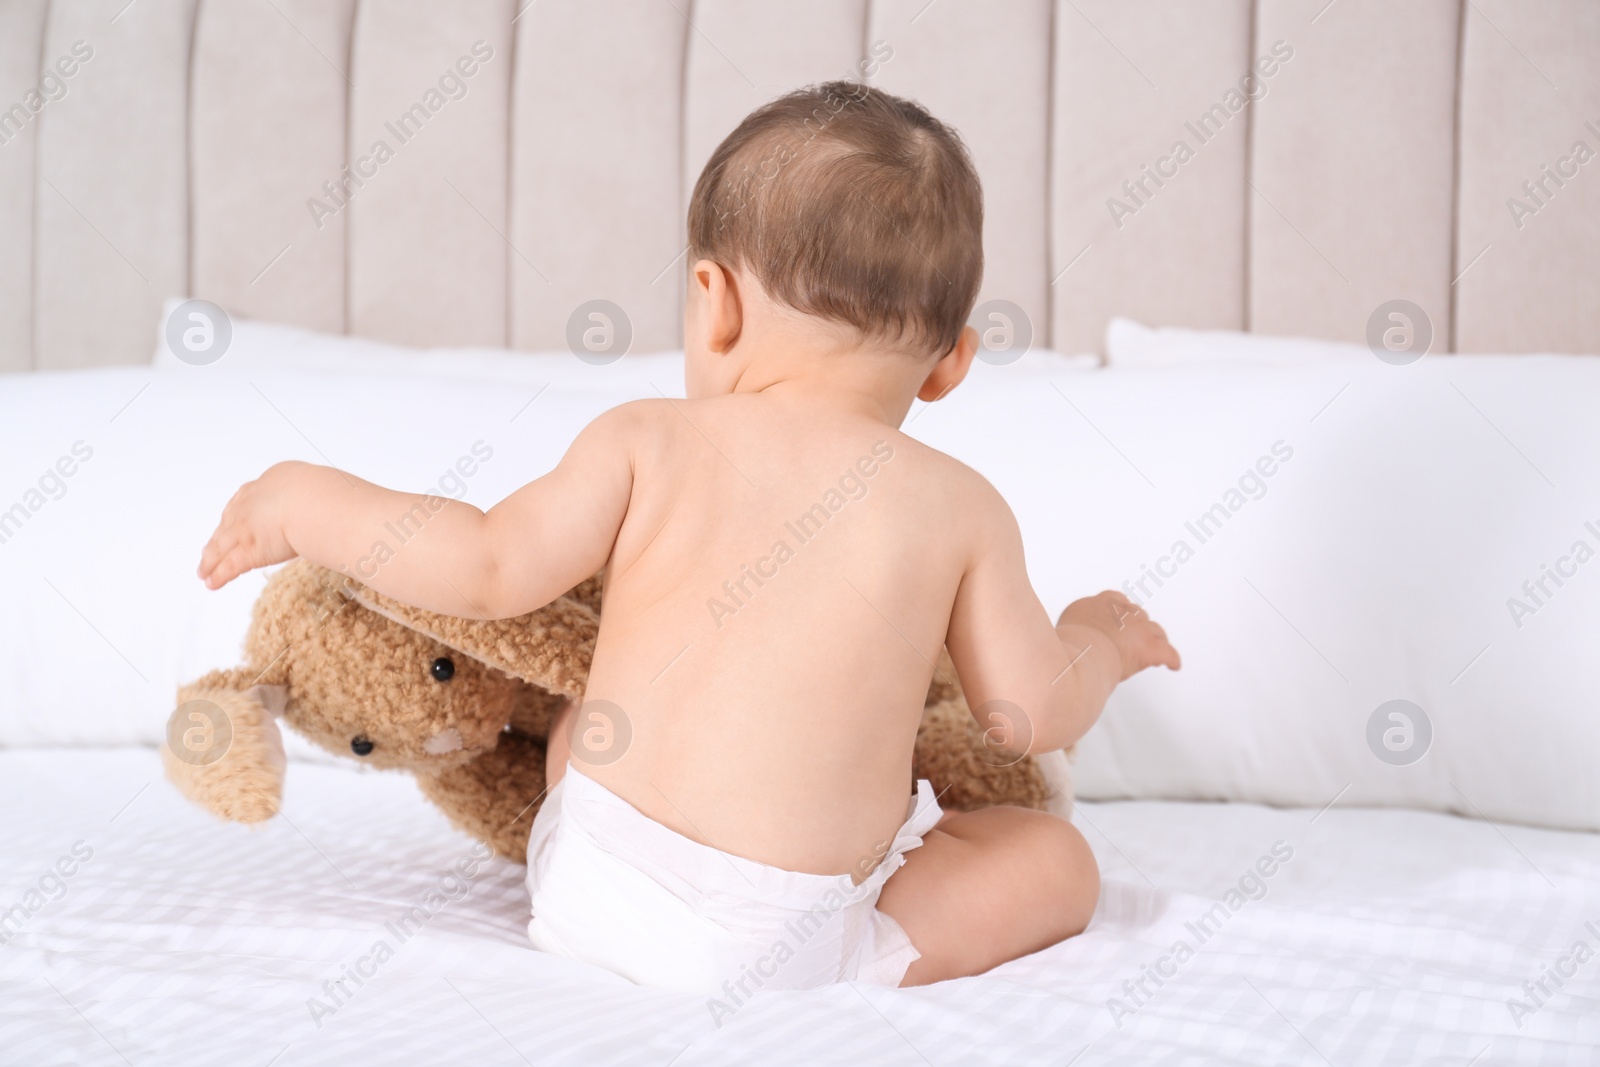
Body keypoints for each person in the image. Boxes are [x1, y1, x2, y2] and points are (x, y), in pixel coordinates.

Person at [198, 81, 1180, 997]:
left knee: (591, 717)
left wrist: (304, 499)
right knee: (1056, 859)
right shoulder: (960, 504)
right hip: (786, 940)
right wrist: (1099, 638)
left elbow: (485, 565)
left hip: (586, 877)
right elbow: (1021, 713)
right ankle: (872, 937)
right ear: (950, 361)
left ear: (715, 303)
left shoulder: (643, 438)